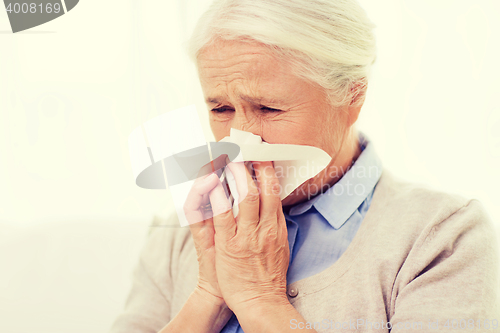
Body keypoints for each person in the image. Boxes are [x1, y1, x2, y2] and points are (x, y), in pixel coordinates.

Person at [109, 0, 499, 332]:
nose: (242, 139)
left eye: (268, 108)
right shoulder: (179, 234)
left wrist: (260, 301)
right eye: (221, 108)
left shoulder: (441, 237)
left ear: (352, 96)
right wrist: (208, 294)